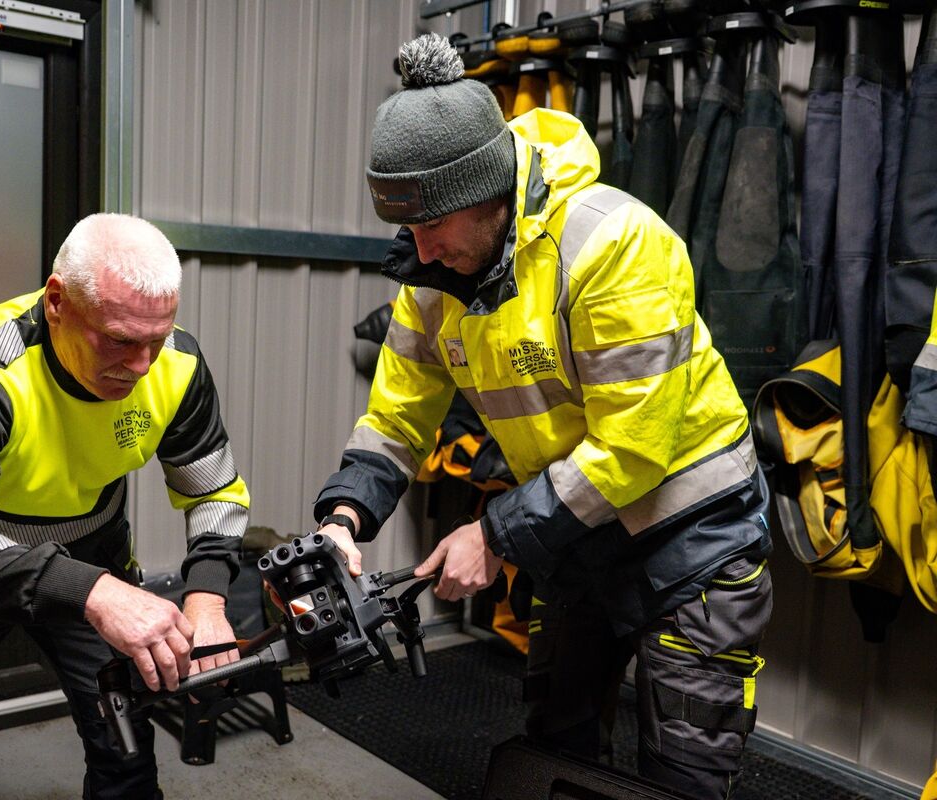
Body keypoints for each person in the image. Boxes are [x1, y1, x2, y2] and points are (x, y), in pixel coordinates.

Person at [312, 34, 773, 800]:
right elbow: (396, 420)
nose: (421, 250)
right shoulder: (432, 276)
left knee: (681, 780)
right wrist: (343, 520)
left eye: (434, 225)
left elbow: (632, 449)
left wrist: (495, 535)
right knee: (554, 755)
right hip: (578, 533)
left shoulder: (613, 244)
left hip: (693, 537)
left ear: (489, 191)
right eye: (407, 229)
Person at [0, 214, 249, 799]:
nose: (142, 365)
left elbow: (213, 491)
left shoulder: (177, 364)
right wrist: (100, 594)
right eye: (119, 340)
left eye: (157, 337)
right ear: (57, 302)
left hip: (87, 556)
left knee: (126, 747)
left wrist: (206, 600)